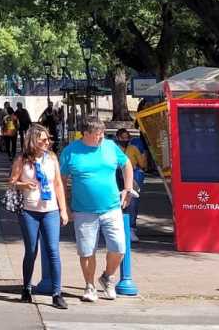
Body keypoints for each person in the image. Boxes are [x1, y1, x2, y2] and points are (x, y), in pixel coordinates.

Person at [59, 118, 136, 302]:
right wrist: (65, 207)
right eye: (97, 134)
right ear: (85, 134)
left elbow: (126, 164)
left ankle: (108, 277)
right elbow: (60, 180)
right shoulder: (70, 151)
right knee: (86, 251)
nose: (101, 137)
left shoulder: (110, 146)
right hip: (83, 211)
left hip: (111, 208)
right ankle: (90, 286)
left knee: (119, 247)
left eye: (102, 133)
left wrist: (127, 188)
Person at [9, 123, 69, 309]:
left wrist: (63, 209)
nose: (47, 142)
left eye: (48, 139)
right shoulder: (23, 159)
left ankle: (57, 293)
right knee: (31, 250)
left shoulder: (51, 158)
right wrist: (23, 185)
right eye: (43, 139)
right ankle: (26, 288)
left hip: (50, 209)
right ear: (33, 140)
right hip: (29, 210)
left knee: (53, 250)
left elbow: (58, 183)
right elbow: (12, 182)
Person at [116, 128, 147, 242]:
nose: (125, 139)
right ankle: (118, 227)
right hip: (116, 176)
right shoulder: (114, 149)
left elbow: (142, 163)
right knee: (117, 201)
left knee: (132, 202)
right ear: (117, 138)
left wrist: (144, 155)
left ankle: (131, 228)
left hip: (131, 176)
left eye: (127, 137)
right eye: (122, 137)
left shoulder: (133, 148)